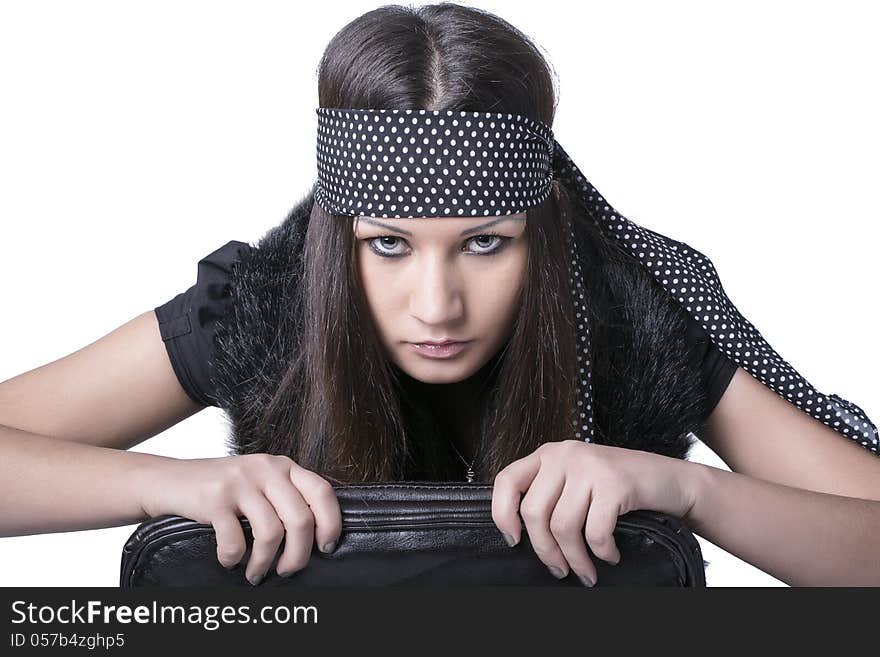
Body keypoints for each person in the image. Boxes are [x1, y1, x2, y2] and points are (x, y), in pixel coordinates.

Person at [2, 3, 879, 589]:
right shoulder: (259, 305)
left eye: (484, 243)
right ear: (337, 241)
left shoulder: (634, 312)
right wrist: (169, 484)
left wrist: (686, 490)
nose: (435, 305)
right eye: (388, 244)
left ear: (539, 227)